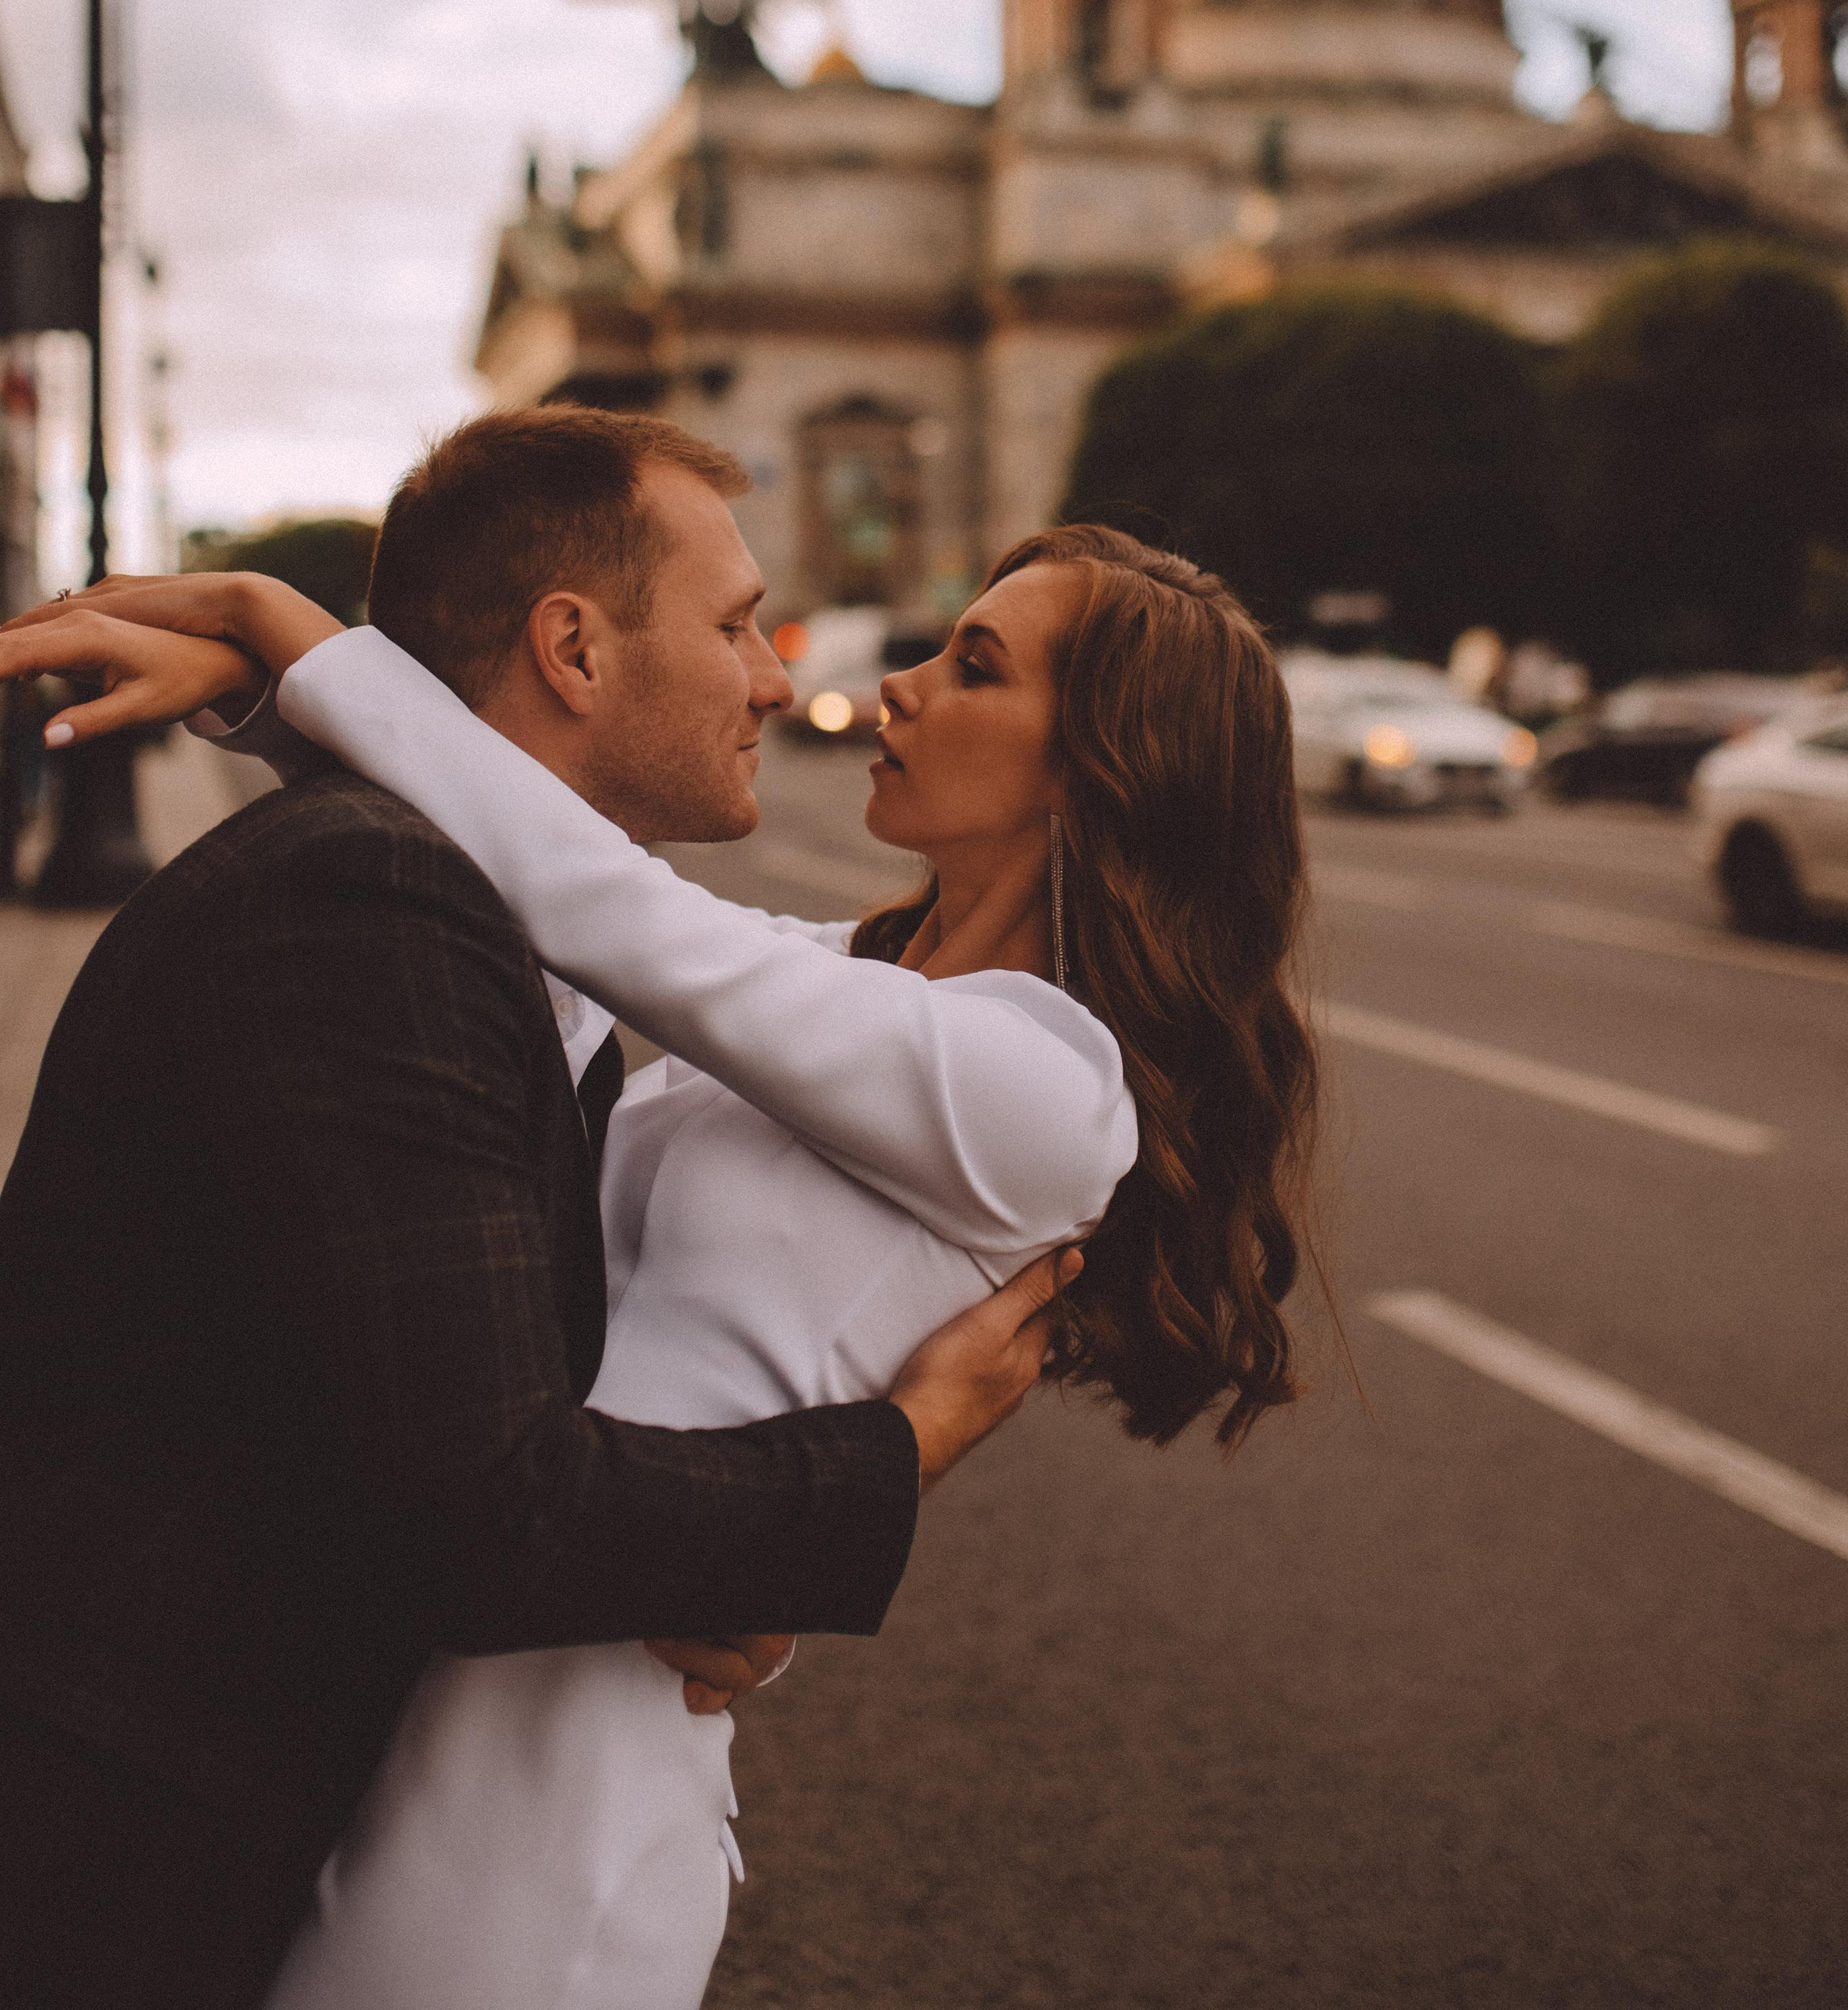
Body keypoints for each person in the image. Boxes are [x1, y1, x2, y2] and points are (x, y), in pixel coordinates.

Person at [1, 409, 1322, 2010]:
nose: (878, 679)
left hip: (551, 1796)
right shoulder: (839, 977)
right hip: (458, 1661)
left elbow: (601, 908)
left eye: (975, 666)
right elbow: (527, 897)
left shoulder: (1045, 1083)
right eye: (734, 625)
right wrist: (300, 715)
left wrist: (299, 648)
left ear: (1110, 764)